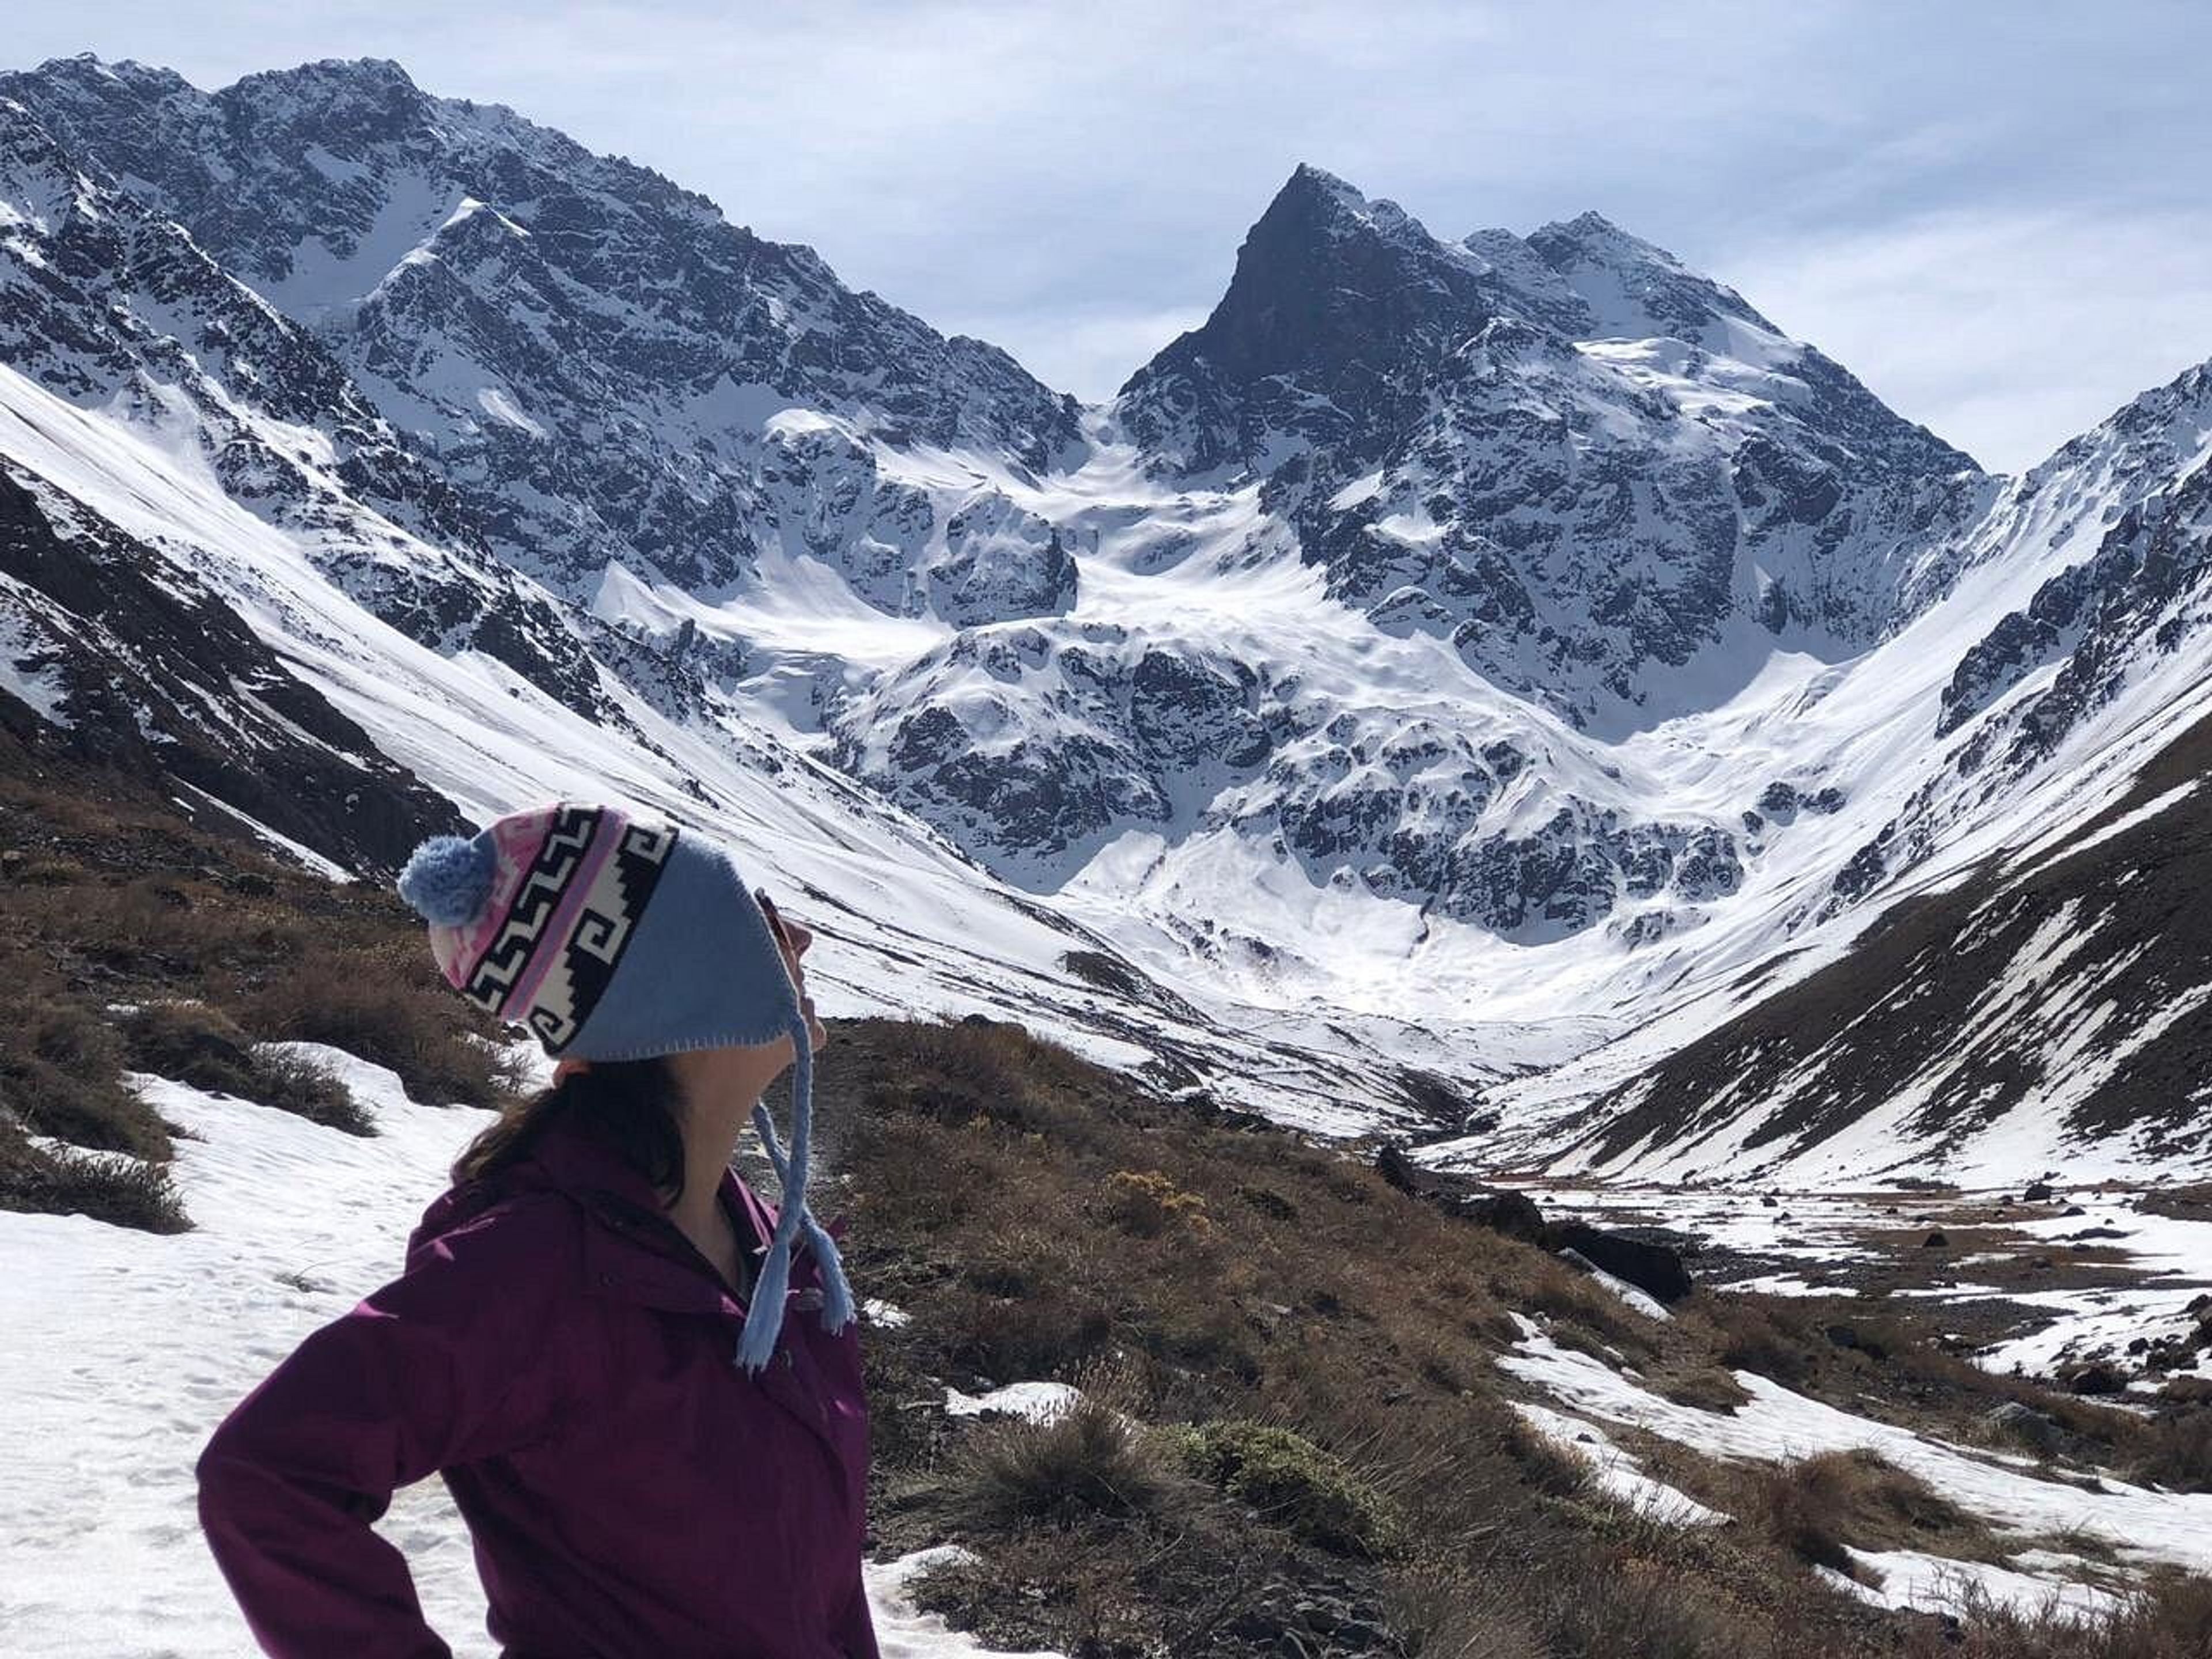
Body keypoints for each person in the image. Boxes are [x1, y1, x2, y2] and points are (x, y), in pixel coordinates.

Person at [194, 800, 878, 1658]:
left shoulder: (775, 1249)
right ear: (681, 979)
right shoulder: (539, 1267)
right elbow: (267, 1475)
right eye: (760, 915)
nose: (800, 939)